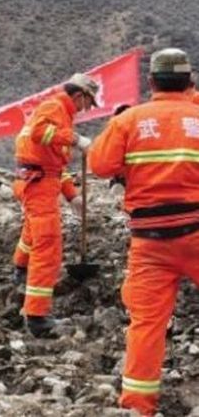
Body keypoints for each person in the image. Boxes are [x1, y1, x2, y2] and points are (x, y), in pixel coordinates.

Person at [89, 48, 199, 416]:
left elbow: (100, 165)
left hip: (150, 242)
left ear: (150, 82)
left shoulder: (130, 121)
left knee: (147, 324)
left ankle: (137, 406)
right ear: (190, 82)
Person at [14, 73, 98, 338]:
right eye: (86, 102)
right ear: (78, 95)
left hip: (40, 181)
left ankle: (19, 269)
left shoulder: (61, 113)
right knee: (47, 245)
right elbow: (40, 134)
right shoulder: (55, 107)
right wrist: (74, 139)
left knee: (33, 233)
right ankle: (37, 316)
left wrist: (72, 196)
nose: (86, 108)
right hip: (37, 183)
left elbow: (55, 165)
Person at [11, 173, 81, 285]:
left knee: (32, 232)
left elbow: (58, 169)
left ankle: (21, 267)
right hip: (35, 188)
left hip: (35, 185)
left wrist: (71, 195)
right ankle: (39, 280)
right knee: (46, 237)